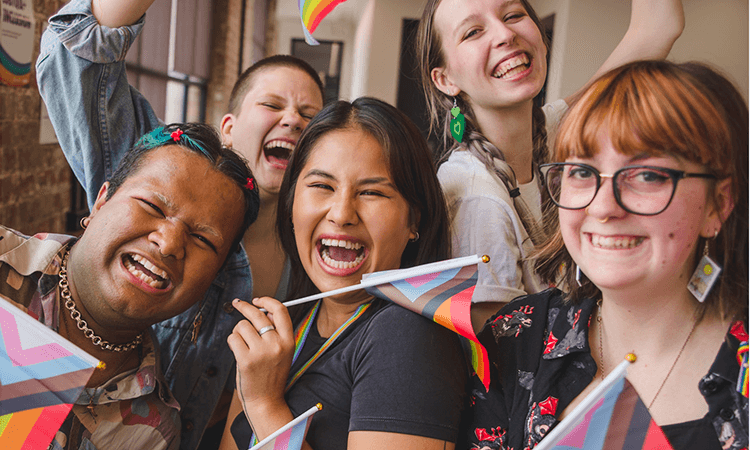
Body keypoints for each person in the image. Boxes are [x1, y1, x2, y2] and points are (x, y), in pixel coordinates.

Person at [36, 1, 324, 447]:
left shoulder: (317, 255)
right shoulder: (162, 167)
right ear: (228, 128)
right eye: (272, 104)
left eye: (310, 117)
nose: (293, 120)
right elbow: (79, 59)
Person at [462, 60, 748, 450]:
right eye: (581, 171)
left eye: (647, 175)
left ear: (718, 205)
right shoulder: (512, 338)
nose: (603, 208)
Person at [416, 0, 685, 330]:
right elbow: (508, 358)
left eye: (513, 15)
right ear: (444, 79)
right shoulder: (476, 199)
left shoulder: (551, 129)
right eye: (473, 32)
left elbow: (659, 27)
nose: (505, 34)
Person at [220, 98, 467, 450]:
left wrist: (264, 404)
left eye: (371, 192)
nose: (341, 213)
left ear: (414, 220)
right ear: (292, 203)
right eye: (322, 186)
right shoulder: (283, 326)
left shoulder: (408, 334)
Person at [0, 123, 260, 450]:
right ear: (101, 201)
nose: (168, 244)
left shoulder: (153, 433)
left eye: (202, 239)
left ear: (213, 278)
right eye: (152, 206)